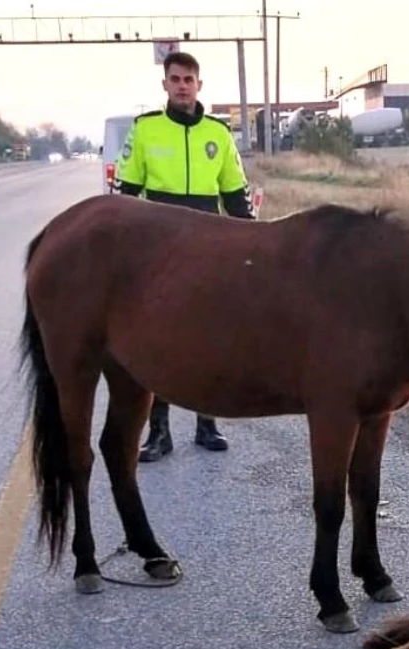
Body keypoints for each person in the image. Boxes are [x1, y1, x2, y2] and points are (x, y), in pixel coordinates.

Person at [115, 50, 255, 462]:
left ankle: (206, 425)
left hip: (212, 249)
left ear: (198, 84)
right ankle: (158, 433)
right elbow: (124, 194)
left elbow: (235, 194)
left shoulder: (218, 133)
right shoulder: (145, 130)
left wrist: (253, 244)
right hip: (160, 251)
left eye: (188, 79)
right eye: (174, 79)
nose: (181, 85)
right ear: (165, 85)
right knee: (159, 342)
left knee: (211, 338)